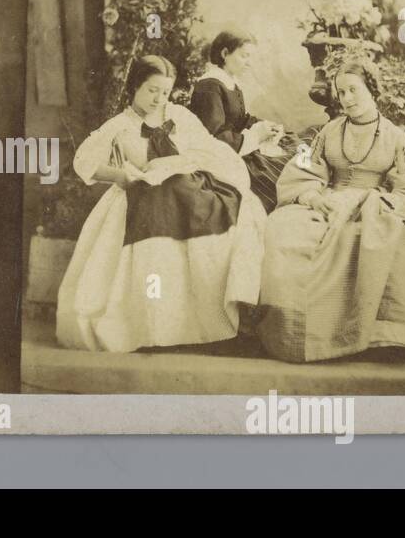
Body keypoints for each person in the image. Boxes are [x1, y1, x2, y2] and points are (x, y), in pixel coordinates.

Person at [255, 61, 405, 363]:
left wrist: (372, 200)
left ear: (372, 90)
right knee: (282, 230)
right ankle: (297, 334)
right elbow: (303, 170)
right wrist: (313, 196)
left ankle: (386, 337)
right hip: (328, 201)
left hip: (376, 203)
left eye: (353, 90)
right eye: (341, 92)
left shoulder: (395, 137)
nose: (347, 98)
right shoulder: (327, 132)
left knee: (390, 238)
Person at [56, 55, 266, 352]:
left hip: (187, 189)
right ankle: (155, 328)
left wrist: (192, 166)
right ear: (135, 87)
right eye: (152, 90)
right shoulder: (119, 125)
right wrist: (120, 176)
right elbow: (84, 161)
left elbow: (210, 150)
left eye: (165, 92)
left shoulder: (180, 116)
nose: (159, 99)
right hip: (142, 194)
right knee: (157, 216)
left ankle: (212, 323)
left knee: (229, 209)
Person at [189, 30, 307, 212]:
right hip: (223, 155)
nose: (249, 63)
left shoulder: (230, 82)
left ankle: (309, 190)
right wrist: (255, 137)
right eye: (244, 56)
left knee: (296, 145)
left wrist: (265, 126)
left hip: (238, 146)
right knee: (278, 169)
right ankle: (300, 199)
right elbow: (213, 137)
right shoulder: (210, 86)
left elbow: (239, 118)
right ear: (225, 54)